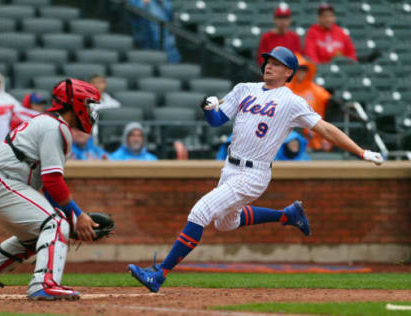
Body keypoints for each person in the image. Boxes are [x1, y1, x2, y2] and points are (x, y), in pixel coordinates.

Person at [128, 46, 383, 293]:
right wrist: (208, 108)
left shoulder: (291, 102)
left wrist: (360, 151)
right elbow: (217, 120)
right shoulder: (243, 89)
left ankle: (159, 273)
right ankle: (287, 215)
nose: (269, 66)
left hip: (254, 173)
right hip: (230, 167)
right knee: (226, 223)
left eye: (276, 63)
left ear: (289, 73)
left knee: (200, 211)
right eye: (268, 62)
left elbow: (325, 129)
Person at [0, 78, 102, 300]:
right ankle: (44, 283)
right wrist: (77, 216)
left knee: (39, 235)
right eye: (87, 104)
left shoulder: (50, 124)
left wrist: (72, 220)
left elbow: (50, 189)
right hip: (1, 183)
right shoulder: (56, 127)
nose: (90, 110)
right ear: (75, 103)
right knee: (54, 224)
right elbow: (52, 181)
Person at [287, 54, 333, 151]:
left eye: (304, 70)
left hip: (314, 137)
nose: (301, 73)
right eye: (299, 69)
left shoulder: (317, 90)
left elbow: (330, 107)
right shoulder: (286, 88)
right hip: (289, 137)